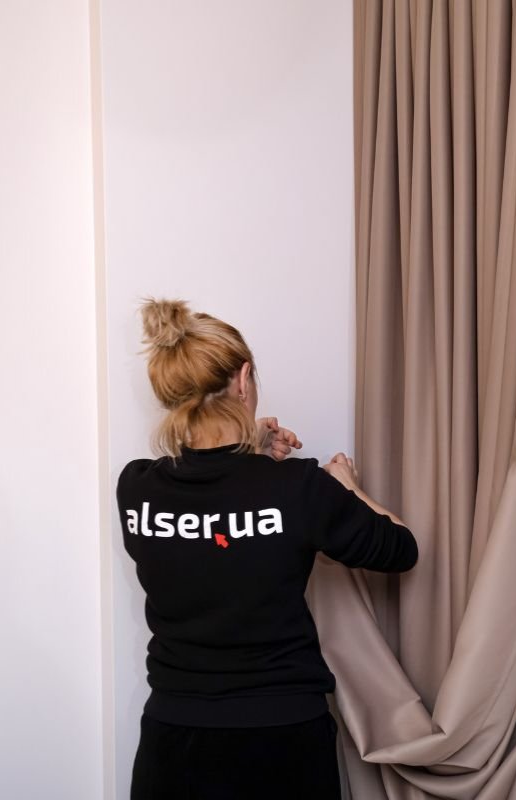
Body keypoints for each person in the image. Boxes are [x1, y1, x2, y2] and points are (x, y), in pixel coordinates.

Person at [117, 298, 418, 799]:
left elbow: (215, 523)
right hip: (282, 739)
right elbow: (400, 548)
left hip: (174, 742)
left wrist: (251, 452)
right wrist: (345, 486)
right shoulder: (298, 488)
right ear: (243, 379)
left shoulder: (136, 488)